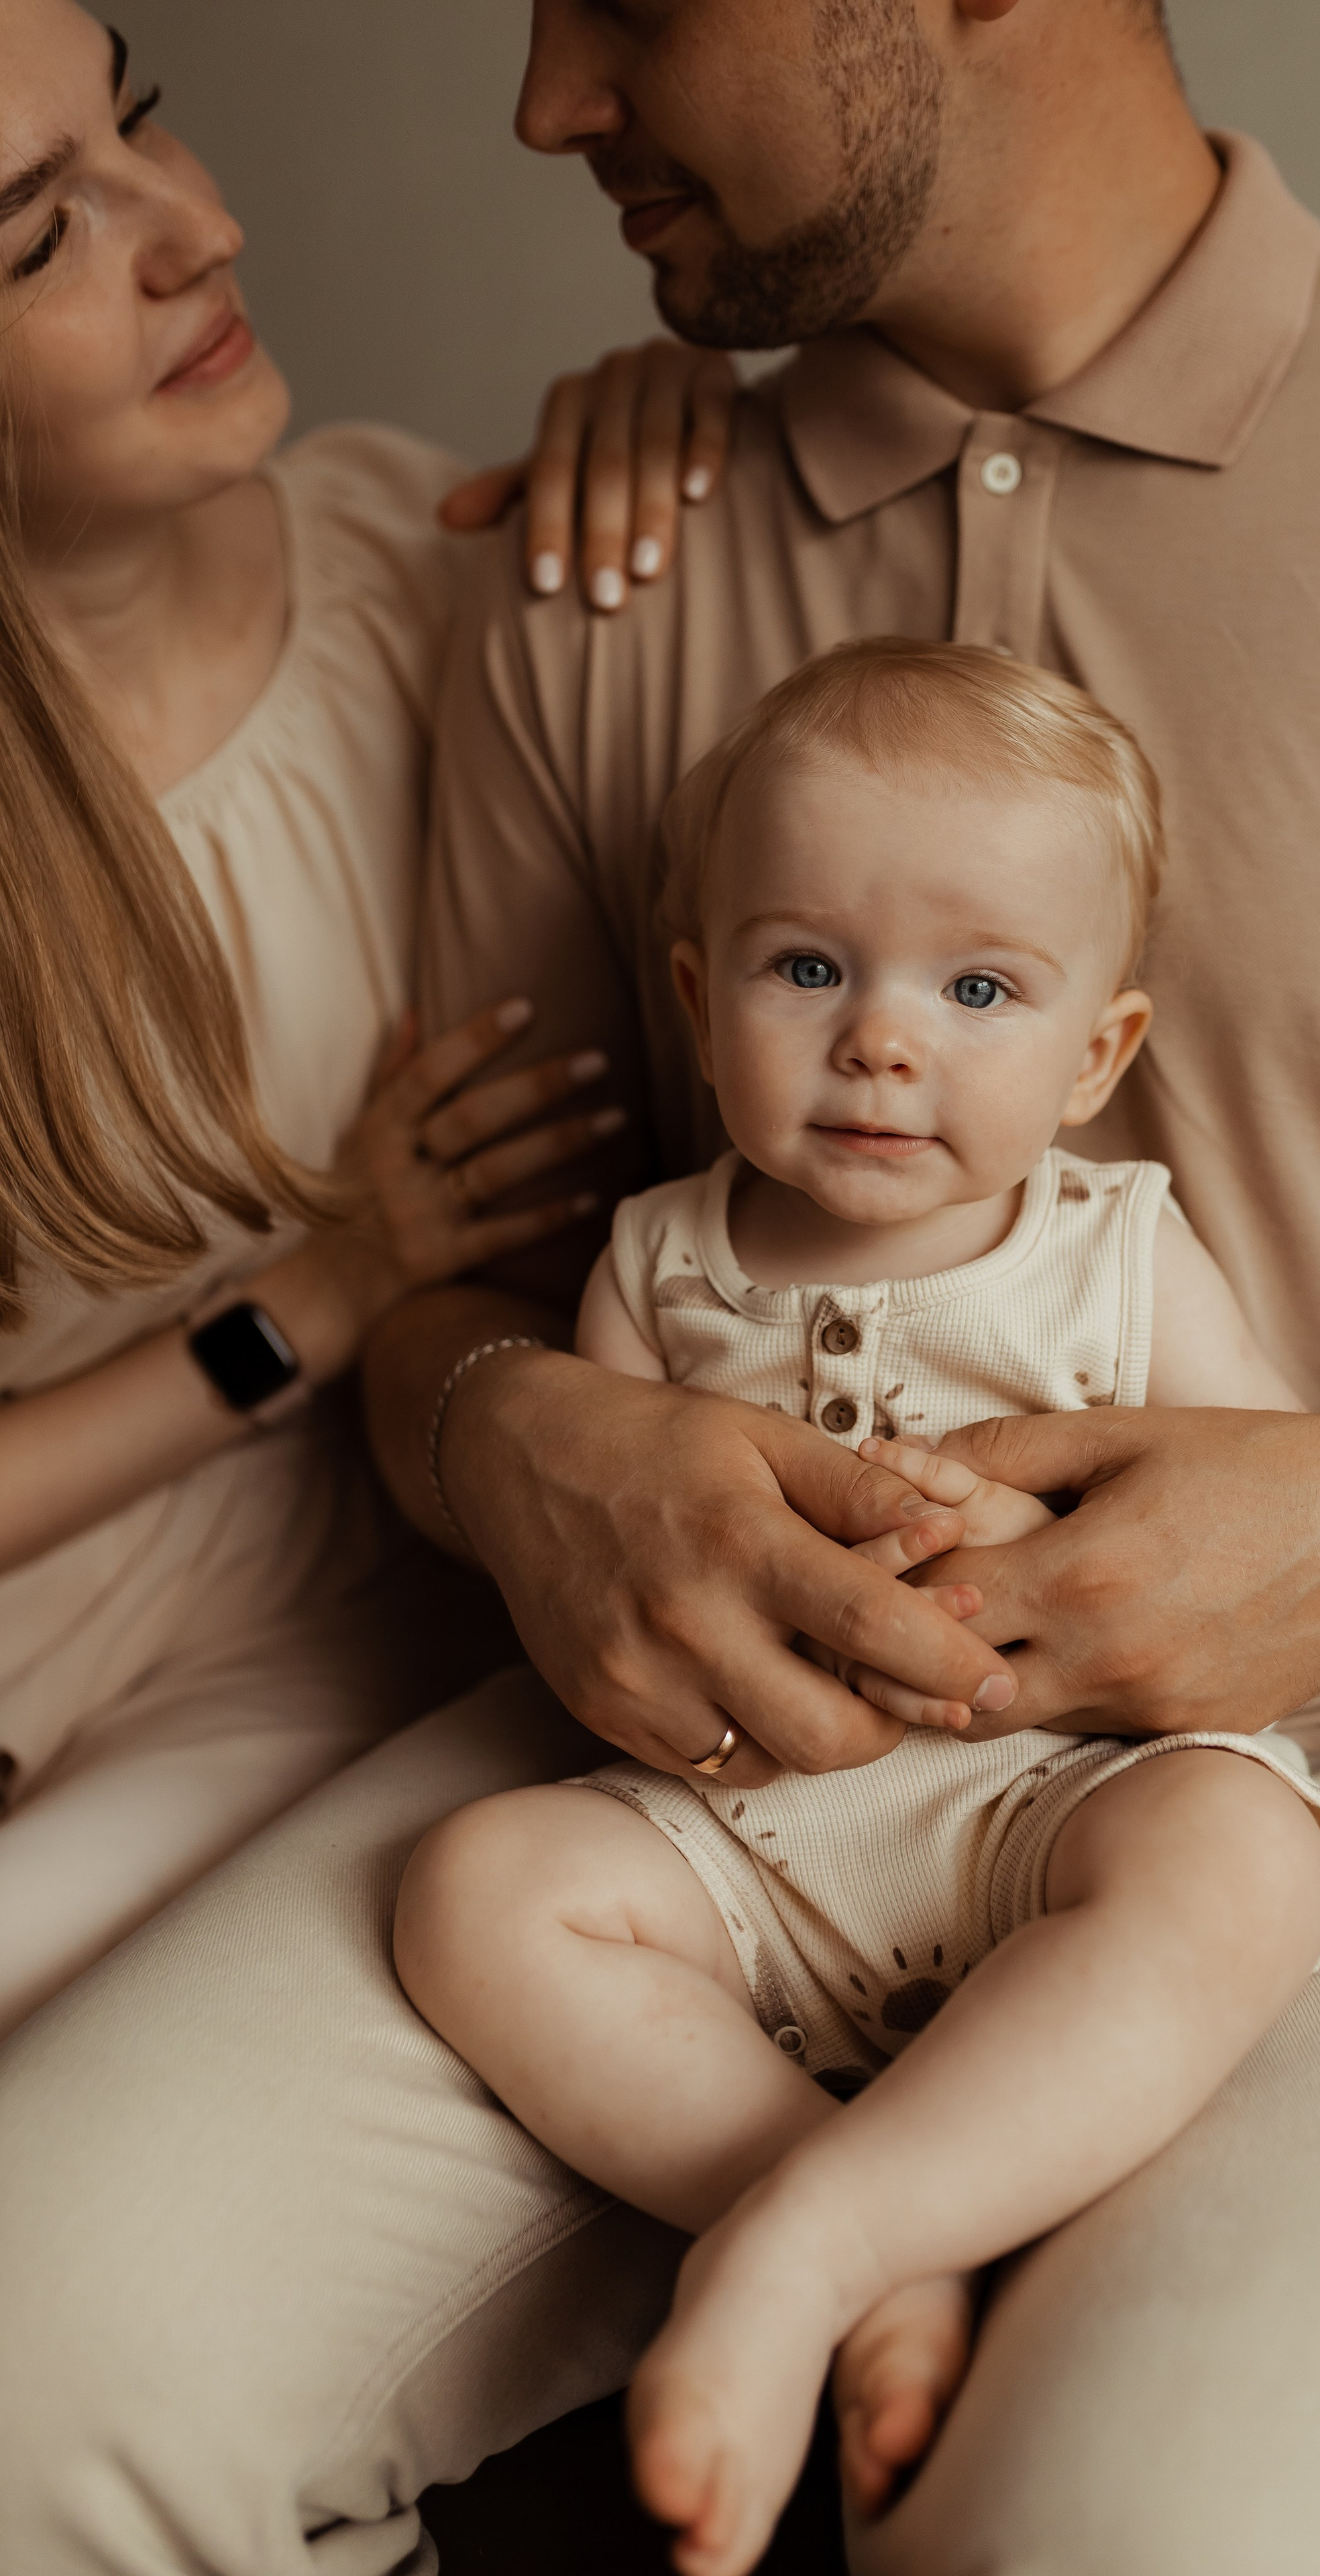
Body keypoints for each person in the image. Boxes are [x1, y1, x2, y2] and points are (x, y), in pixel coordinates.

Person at [4, 2, 1320, 2571]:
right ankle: (818, 2219)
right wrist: (525, 1438)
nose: (548, 102)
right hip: (663, 1775)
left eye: (630, 2)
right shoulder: (591, 541)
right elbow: (453, 1299)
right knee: (33, 2366)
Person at [395, 639, 1320, 2576]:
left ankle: (807, 2249)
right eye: (808, 967)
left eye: (981, 987)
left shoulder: (1116, 1246)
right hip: (746, 1836)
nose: (882, 1041)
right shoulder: (653, 1262)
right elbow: (607, 1604)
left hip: (1045, 1798)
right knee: (472, 1891)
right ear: (699, 996)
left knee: (1243, 1853)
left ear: (1099, 1052)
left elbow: (1275, 1531)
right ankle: (838, 2201)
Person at [0, 0, 734, 2035]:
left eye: (144, 121)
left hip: (358, 1624)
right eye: (36, 234)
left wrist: (686, 432)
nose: (195, 234)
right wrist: (324, 1292)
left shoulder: (446, 563)